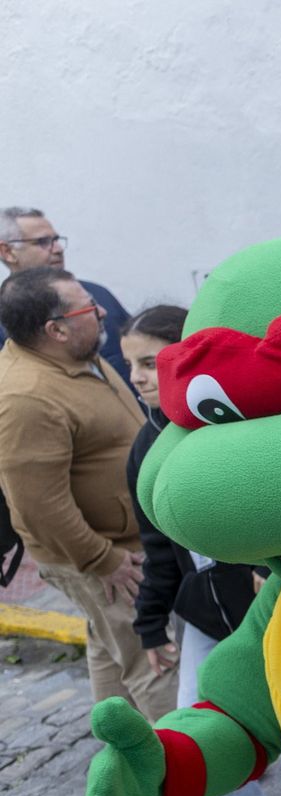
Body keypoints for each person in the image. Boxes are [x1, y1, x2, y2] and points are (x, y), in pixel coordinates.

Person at [121, 304, 281, 796]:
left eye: (149, 361)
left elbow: (277, 499)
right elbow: (157, 544)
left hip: (276, 601)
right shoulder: (145, 444)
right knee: (195, 715)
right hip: (203, 614)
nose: (138, 376)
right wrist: (150, 627)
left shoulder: (234, 419)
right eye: (130, 365)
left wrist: (265, 565)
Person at [0, 268, 172, 716]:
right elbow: (37, 505)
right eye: (85, 309)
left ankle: (120, 754)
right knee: (154, 662)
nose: (99, 311)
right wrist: (103, 561)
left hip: (118, 543)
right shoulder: (26, 397)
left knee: (110, 647)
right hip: (104, 553)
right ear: (55, 330)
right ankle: (194, 771)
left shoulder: (75, 354)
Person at [0, 207, 133, 387]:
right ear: (7, 252)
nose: (58, 249)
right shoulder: (5, 318)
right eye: (42, 241)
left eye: (56, 239)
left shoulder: (98, 293)